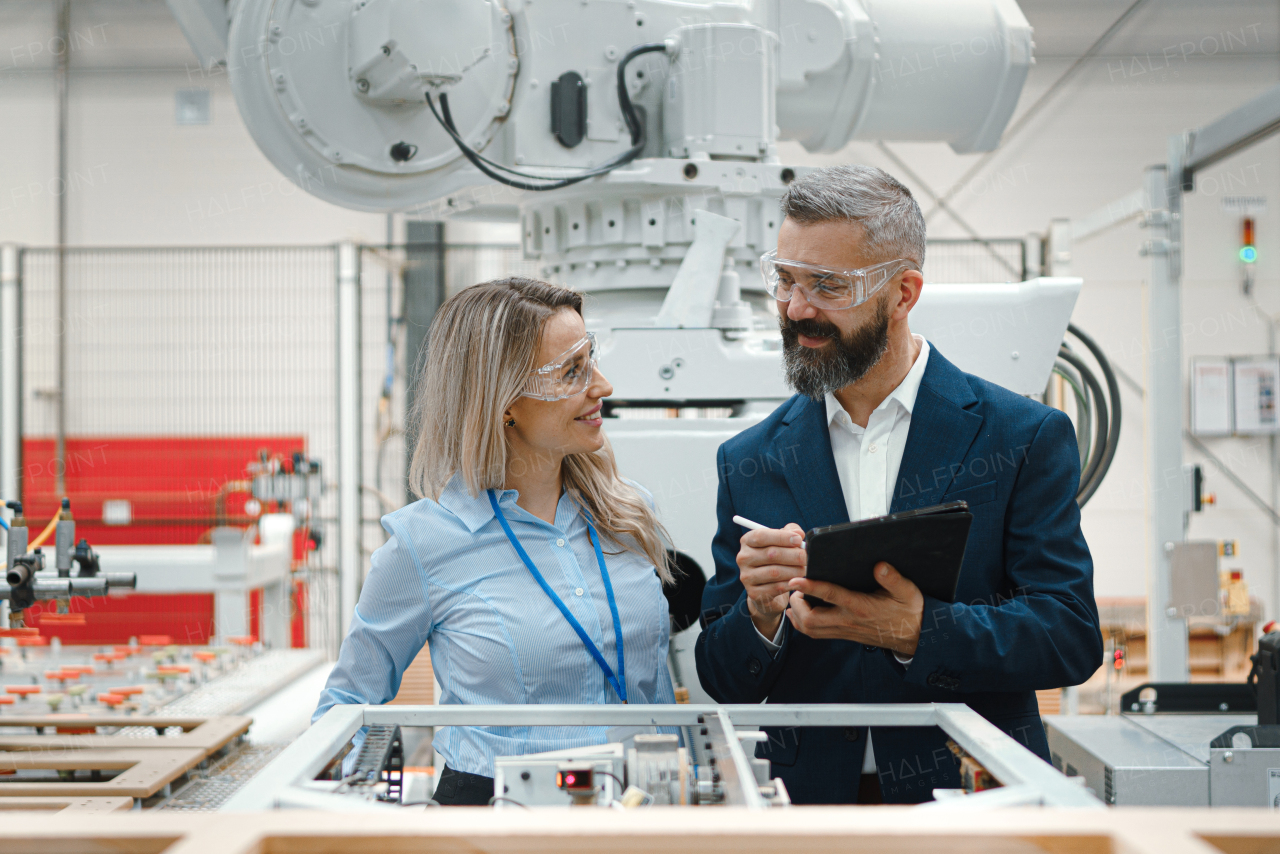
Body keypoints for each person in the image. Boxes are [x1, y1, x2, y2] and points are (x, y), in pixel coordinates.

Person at [694, 165, 1102, 805]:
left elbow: (1068, 635)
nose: (798, 309)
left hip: (970, 804)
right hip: (809, 809)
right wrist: (760, 615)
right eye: (785, 280)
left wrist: (919, 630)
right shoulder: (750, 458)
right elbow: (721, 673)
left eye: (827, 285)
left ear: (904, 292)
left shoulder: (1020, 437)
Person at [314, 277, 676, 806]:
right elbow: (347, 703)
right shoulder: (425, 543)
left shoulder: (627, 515)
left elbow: (657, 690)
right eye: (572, 371)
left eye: (591, 359)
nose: (602, 385)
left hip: (641, 805)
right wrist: (355, 815)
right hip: (496, 816)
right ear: (503, 401)